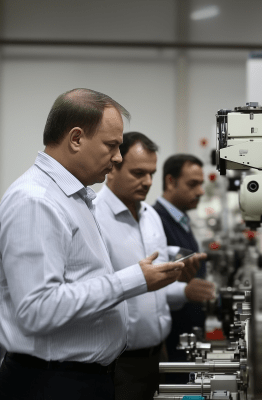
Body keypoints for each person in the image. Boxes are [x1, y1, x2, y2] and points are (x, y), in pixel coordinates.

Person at [0, 89, 188, 400]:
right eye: (112, 145)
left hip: (79, 379)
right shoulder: (36, 202)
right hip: (51, 384)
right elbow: (38, 309)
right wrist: (134, 279)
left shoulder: (74, 198)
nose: (118, 157)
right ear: (76, 138)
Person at [94, 132, 215, 400]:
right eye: (138, 173)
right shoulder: (94, 217)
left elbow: (156, 287)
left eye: (151, 173)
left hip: (158, 352)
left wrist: (179, 280)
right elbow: (97, 290)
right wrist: (184, 291)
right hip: (120, 362)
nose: (148, 182)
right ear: (112, 166)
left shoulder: (150, 217)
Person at [153, 154, 207, 383]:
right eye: (192, 184)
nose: (201, 191)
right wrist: (186, 292)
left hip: (186, 338)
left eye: (201, 184)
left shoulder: (181, 221)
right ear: (170, 182)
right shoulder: (156, 221)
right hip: (171, 341)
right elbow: (155, 283)